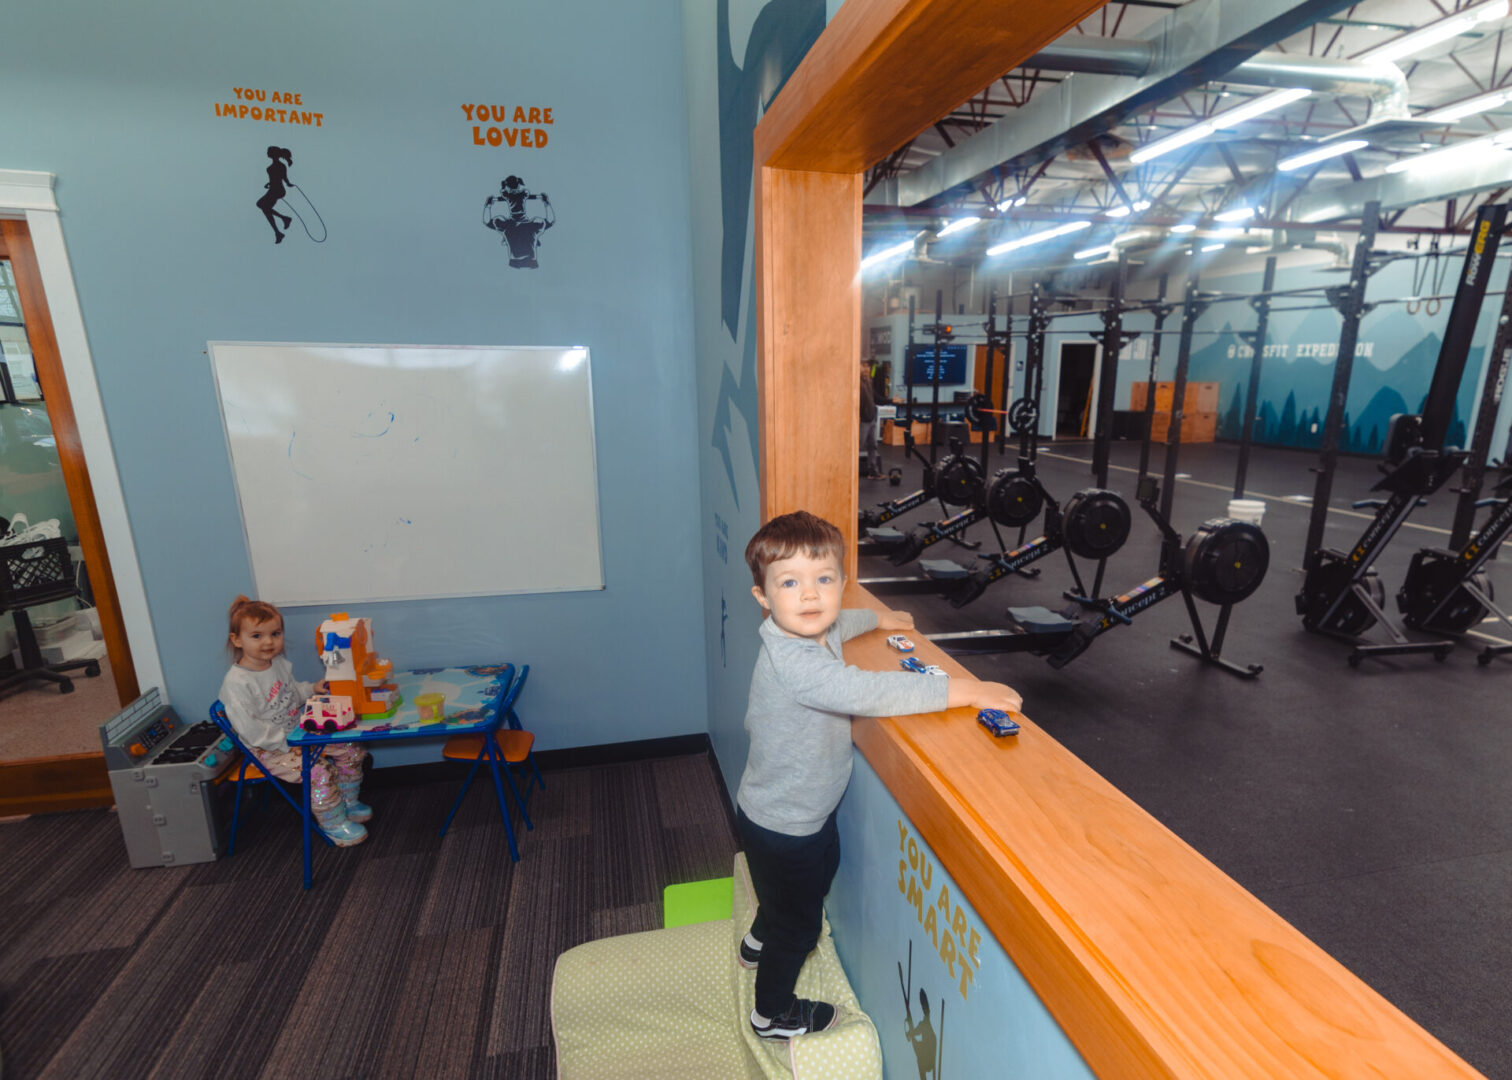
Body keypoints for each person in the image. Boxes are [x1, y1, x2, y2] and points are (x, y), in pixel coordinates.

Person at [735, 511, 1022, 1040]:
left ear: (841, 584)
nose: (810, 596)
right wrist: (967, 690)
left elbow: (842, 622)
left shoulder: (814, 628)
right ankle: (770, 1013)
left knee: (807, 883)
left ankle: (759, 938)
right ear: (762, 596)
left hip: (796, 812)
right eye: (790, 583)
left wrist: (879, 621)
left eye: (824, 580)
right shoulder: (795, 663)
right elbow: (872, 691)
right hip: (782, 822)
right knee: (799, 924)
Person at [219, 595, 371, 846]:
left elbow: (291, 693)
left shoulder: (276, 664)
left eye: (275, 634)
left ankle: (347, 802)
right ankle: (333, 823)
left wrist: (313, 688)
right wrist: (288, 741)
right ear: (237, 640)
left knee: (351, 749)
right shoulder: (238, 683)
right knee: (319, 772)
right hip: (270, 748)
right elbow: (252, 732)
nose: (268, 642)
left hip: (298, 733)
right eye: (257, 636)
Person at [256, 147, 294, 244]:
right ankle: (283, 222)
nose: (267, 153)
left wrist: (288, 183)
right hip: (273, 189)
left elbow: (284, 177)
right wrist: (269, 183)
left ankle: (280, 227)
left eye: (268, 151)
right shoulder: (273, 166)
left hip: (278, 190)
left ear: (273, 154)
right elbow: (274, 178)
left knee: (263, 206)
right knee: (262, 205)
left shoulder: (280, 166)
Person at [860, 356, 883, 479]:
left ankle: (873, 472)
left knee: (873, 445)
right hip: (862, 420)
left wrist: (891, 400)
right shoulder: (856, 383)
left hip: (871, 418)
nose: (867, 368)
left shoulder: (868, 382)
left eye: (868, 366)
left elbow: (876, 398)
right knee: (857, 446)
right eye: (863, 366)